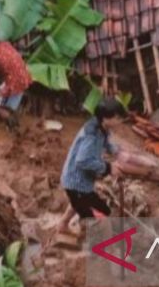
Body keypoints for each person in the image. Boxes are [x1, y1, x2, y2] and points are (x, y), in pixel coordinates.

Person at [56, 99, 121, 233]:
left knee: (79, 203)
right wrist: (108, 168)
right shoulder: (91, 134)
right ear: (106, 118)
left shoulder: (102, 128)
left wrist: (116, 151)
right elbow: (82, 160)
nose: (119, 120)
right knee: (99, 214)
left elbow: (107, 143)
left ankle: (63, 225)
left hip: (83, 183)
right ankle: (89, 237)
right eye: (117, 117)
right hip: (75, 182)